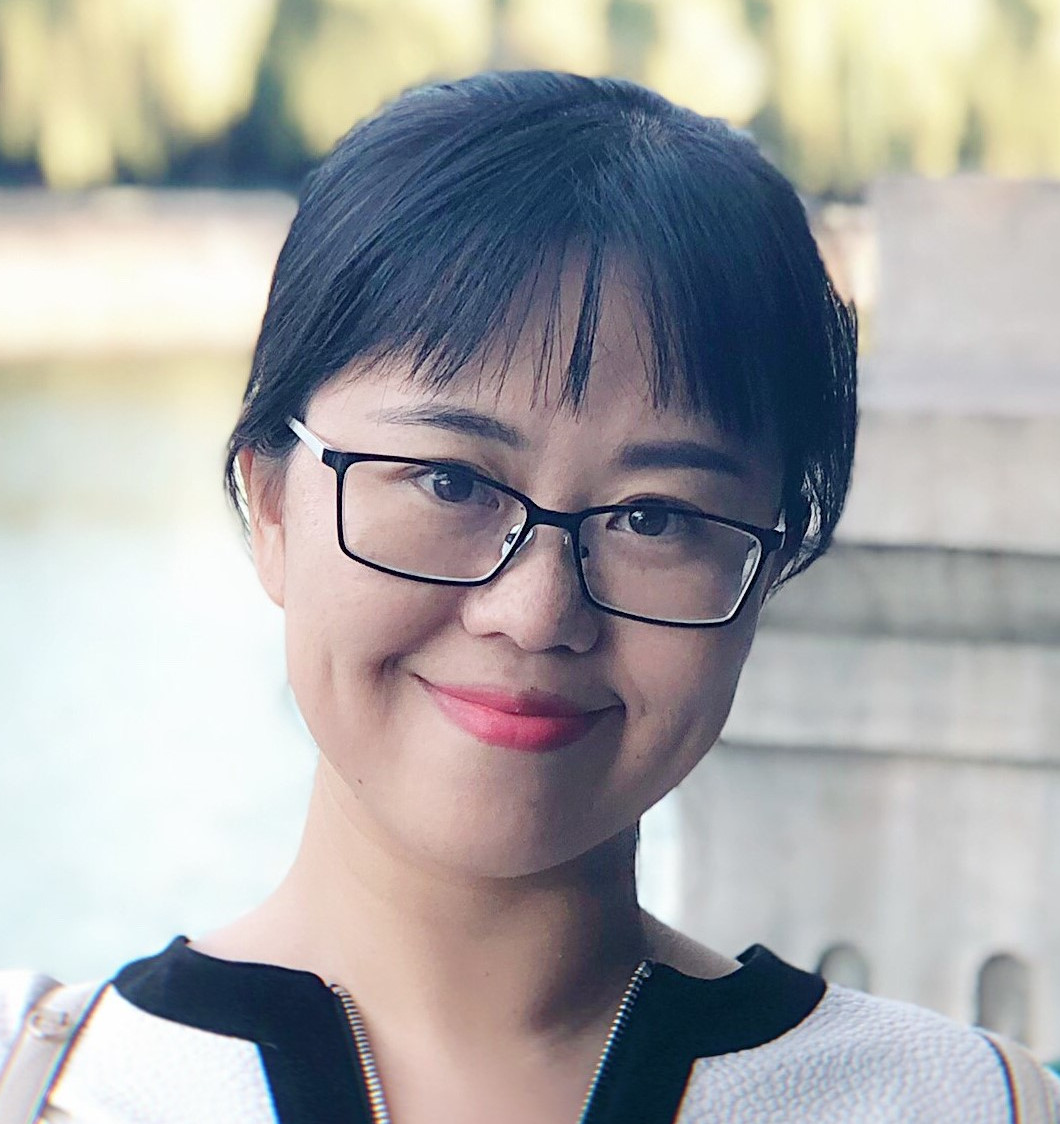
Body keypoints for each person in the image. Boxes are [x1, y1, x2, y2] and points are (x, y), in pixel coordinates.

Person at [1, 70, 1058, 1124]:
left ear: (765, 575)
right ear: (270, 504)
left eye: (653, 517)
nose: (537, 611)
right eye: (450, 482)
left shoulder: (955, 1103)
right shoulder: (62, 1086)